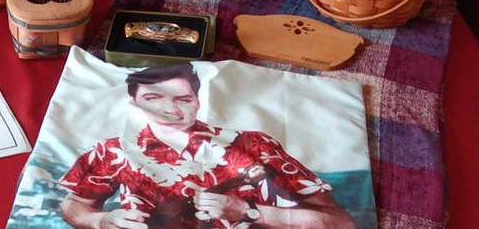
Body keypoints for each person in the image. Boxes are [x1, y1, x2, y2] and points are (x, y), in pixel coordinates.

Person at [59, 65, 356, 229]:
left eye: (182, 99)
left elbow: (341, 223)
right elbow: (75, 207)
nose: (170, 110)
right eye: (153, 99)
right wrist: (102, 220)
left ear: (197, 102)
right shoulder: (112, 152)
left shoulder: (254, 145)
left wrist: (250, 211)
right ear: (134, 104)